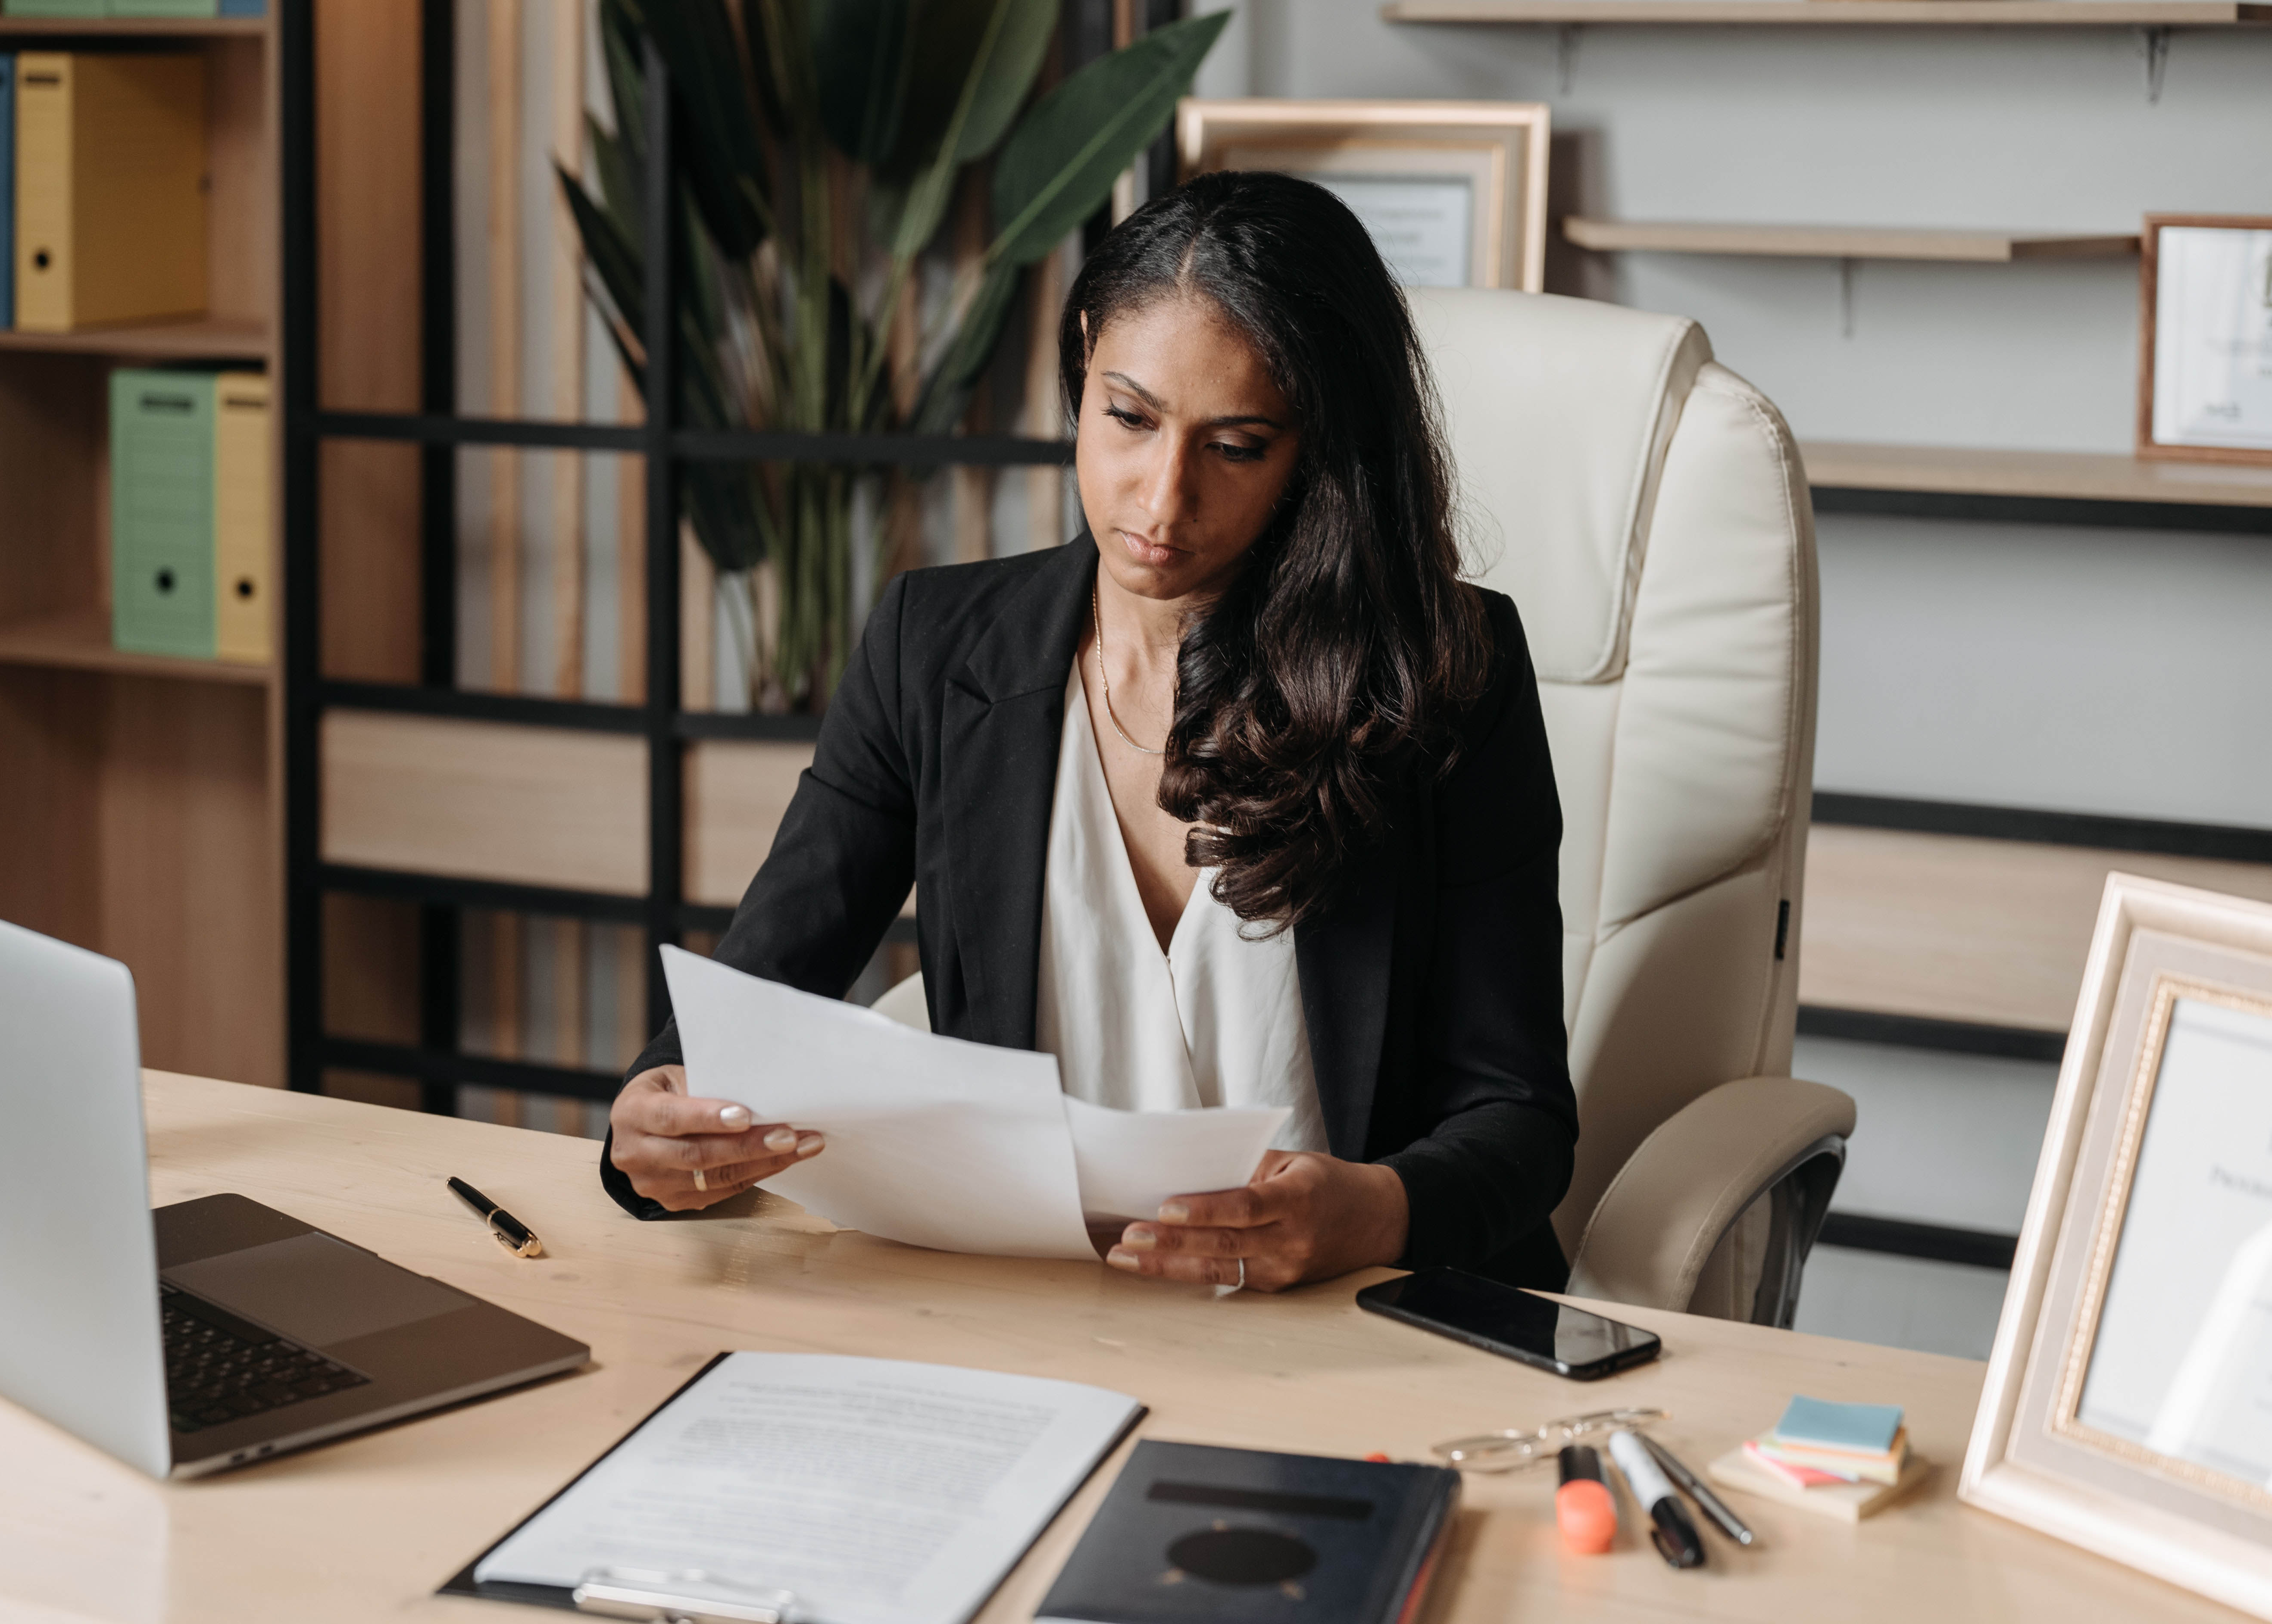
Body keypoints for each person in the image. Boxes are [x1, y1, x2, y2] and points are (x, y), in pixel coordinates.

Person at [603, 170, 1576, 1293]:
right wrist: (656, 1117)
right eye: (1129, 417)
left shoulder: (1445, 675)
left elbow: (1520, 1120)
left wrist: (1368, 1214)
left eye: (1238, 445)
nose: (1160, 503)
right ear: (1081, 360)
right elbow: (756, 996)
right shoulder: (938, 649)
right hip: (1043, 1314)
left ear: (1320, 448)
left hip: (1355, 1318)